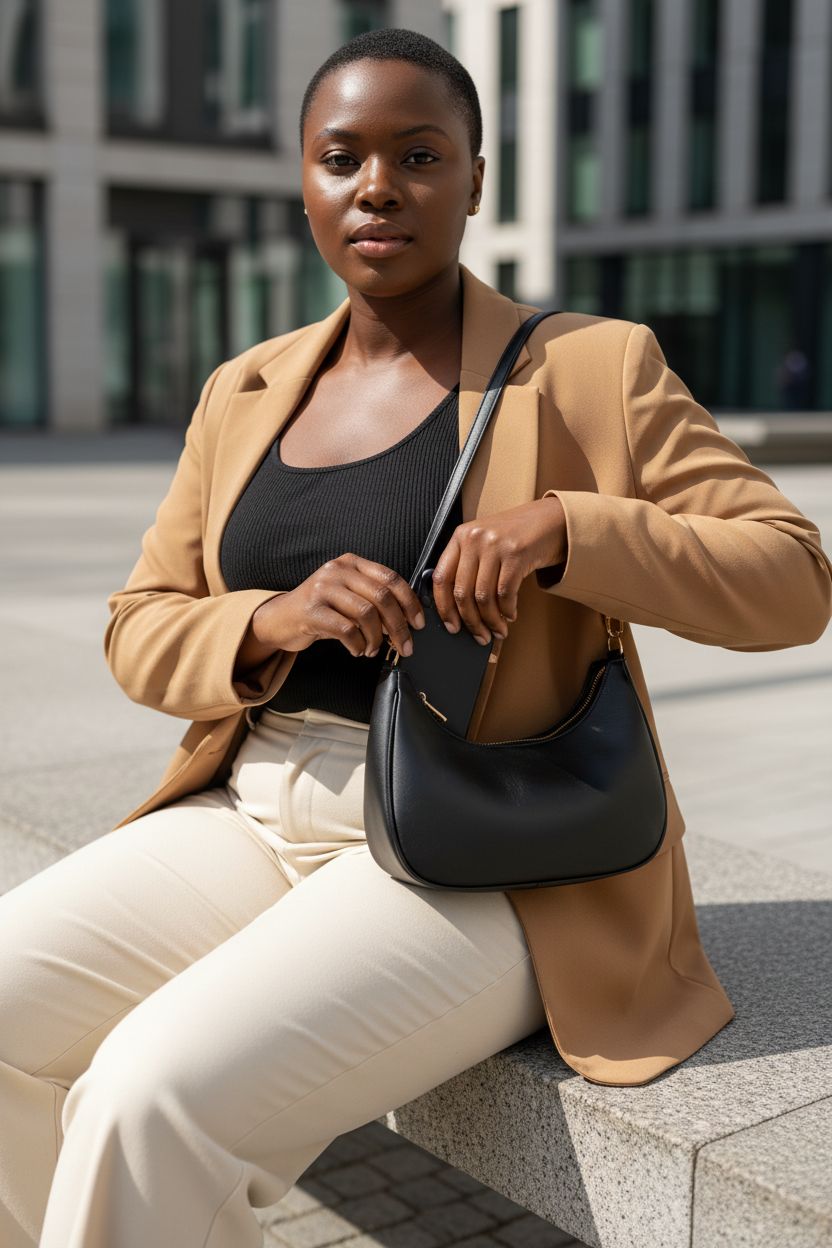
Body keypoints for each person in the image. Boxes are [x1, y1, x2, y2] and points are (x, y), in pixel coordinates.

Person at [1, 26, 831, 1248]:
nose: (378, 186)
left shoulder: (591, 367)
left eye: (420, 155)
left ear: (475, 180)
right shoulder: (243, 388)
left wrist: (568, 528)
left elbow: (793, 579)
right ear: (303, 180)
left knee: (147, 1095)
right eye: (342, 158)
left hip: (484, 845)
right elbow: (141, 628)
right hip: (252, 806)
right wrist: (270, 618)